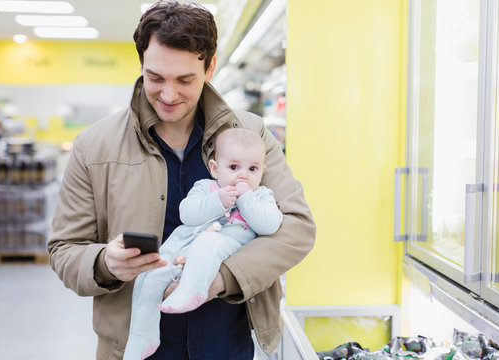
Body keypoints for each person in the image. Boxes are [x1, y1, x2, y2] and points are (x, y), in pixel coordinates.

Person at [47, 1, 315, 359]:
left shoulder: (251, 135)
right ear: (141, 64)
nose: (169, 95)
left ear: (210, 67)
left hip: (226, 343)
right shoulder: (94, 147)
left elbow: (297, 227)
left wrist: (219, 279)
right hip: (131, 345)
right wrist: (105, 263)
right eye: (155, 78)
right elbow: (65, 249)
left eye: (185, 79)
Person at [124, 128, 283, 359]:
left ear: (263, 171)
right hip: (184, 249)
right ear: (214, 168)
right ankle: (142, 336)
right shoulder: (205, 188)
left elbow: (269, 225)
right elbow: (186, 214)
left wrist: (246, 199)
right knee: (148, 278)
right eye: (233, 167)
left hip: (228, 246)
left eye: (253, 169)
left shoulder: (261, 196)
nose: (243, 176)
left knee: (209, 241)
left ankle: (192, 291)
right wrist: (217, 201)